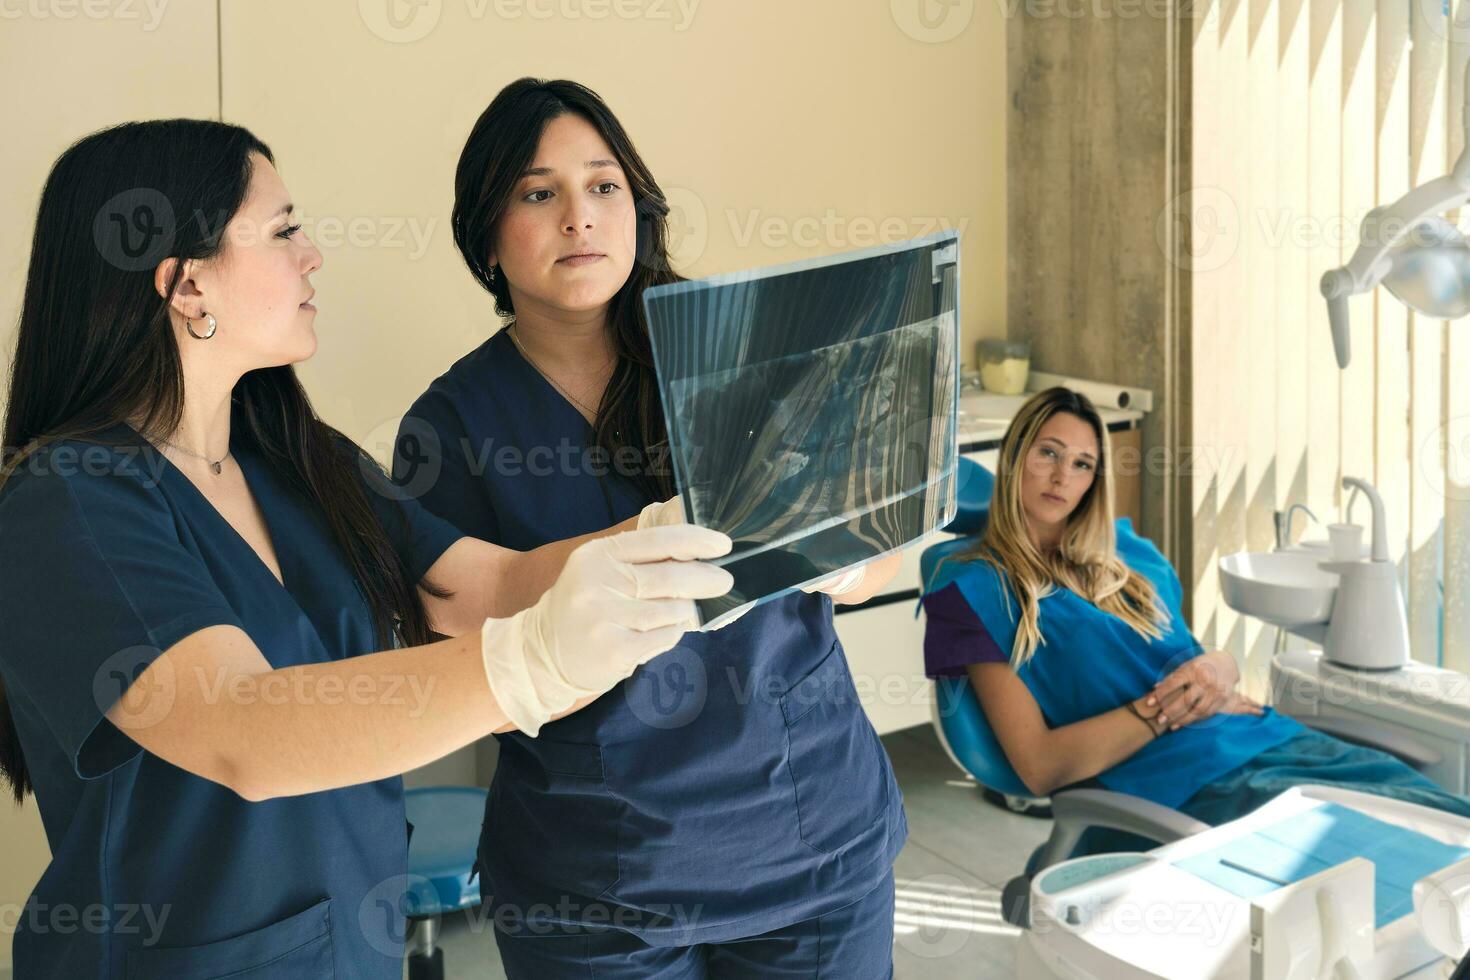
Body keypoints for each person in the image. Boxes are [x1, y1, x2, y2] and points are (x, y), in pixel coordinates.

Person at [0, 118, 733, 979]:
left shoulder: (298, 459)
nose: (313, 256)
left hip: (350, 944)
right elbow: (244, 729)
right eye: (281, 232)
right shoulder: (70, 499)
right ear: (186, 284)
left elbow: (481, 587)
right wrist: (528, 669)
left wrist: (698, 528)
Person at [395, 77, 908, 977]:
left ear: (639, 206)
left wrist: (838, 550)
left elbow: (872, 562)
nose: (578, 218)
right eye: (537, 192)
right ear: (486, 232)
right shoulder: (449, 428)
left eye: (603, 187)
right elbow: (451, 628)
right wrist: (659, 537)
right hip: (599, 887)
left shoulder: (738, 350)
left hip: (813, 838)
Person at [921, 386, 1470, 875]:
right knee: (1397, 867)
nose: (1064, 477)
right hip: (1178, 783)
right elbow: (1040, 767)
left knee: (1448, 826)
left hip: (1269, 741)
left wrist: (1218, 666)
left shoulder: (1128, 556)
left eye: (1084, 464)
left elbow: (1190, 658)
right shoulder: (974, 591)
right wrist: (1166, 710)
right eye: (1049, 454)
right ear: (1015, 455)